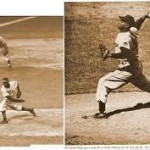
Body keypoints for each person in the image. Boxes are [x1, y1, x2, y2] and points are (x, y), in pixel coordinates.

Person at [95, 12, 150, 117]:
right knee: (146, 85)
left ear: (127, 25)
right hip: (136, 67)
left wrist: (110, 55)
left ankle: (102, 113)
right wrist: (144, 16)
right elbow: (136, 25)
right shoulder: (131, 31)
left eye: (122, 21)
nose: (119, 22)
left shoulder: (123, 38)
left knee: (103, 82)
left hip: (127, 69)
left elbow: (126, 54)